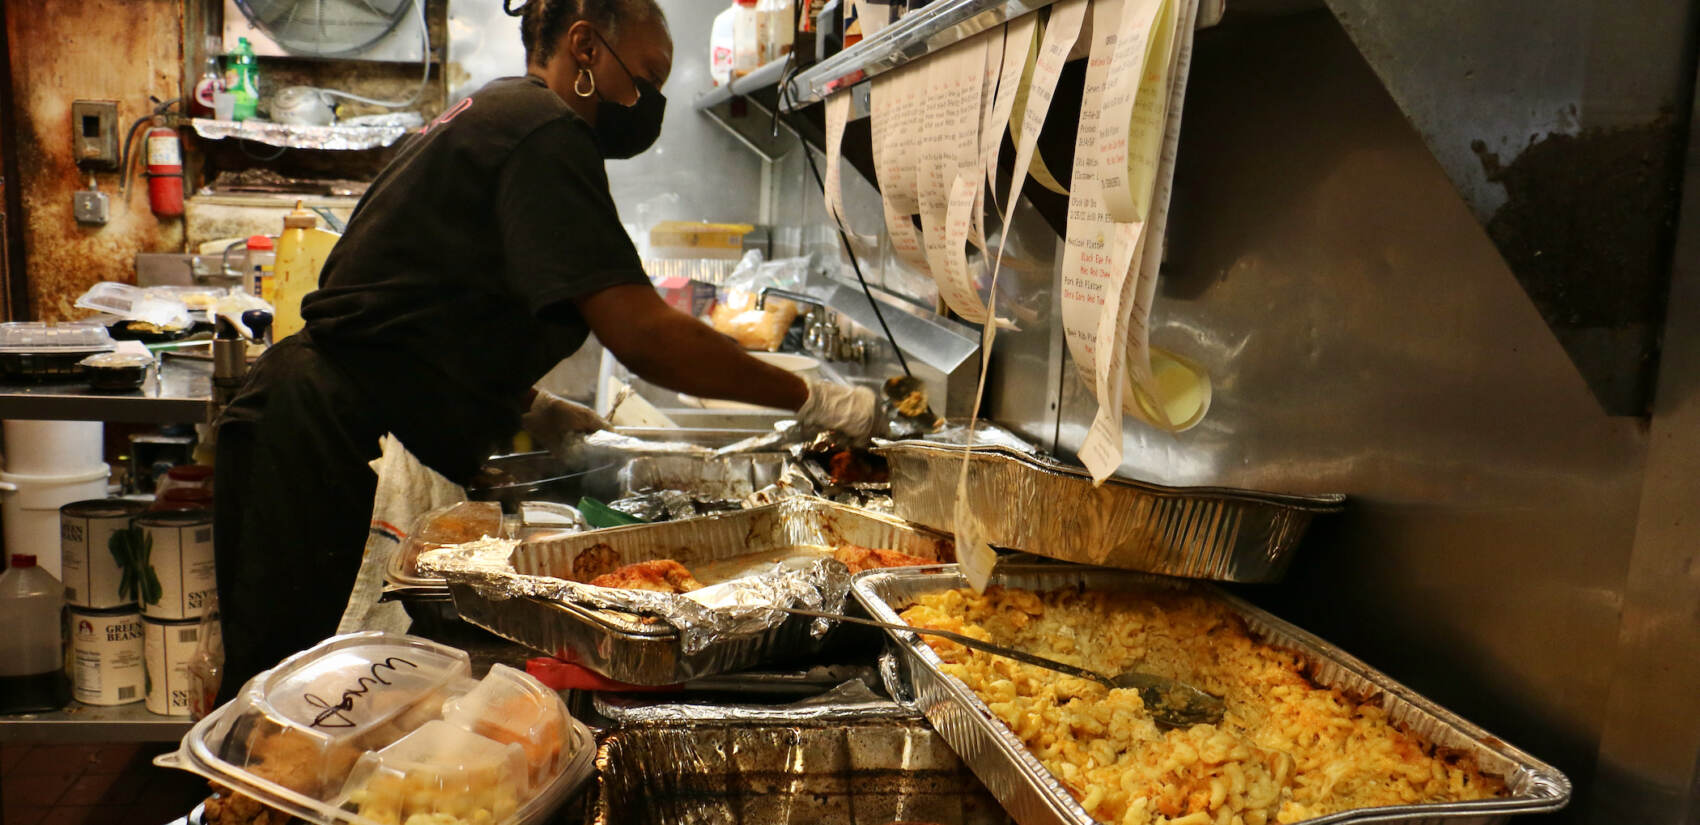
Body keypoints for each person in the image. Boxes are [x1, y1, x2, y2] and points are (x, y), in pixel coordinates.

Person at [211, 0, 877, 699]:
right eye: (645, 78)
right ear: (585, 47)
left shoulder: (498, 111)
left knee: (291, 696)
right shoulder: (544, 132)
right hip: (307, 436)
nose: (646, 103)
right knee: (275, 711)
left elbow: (409, 309)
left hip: (305, 422)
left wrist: (531, 404)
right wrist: (812, 397)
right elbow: (643, 333)